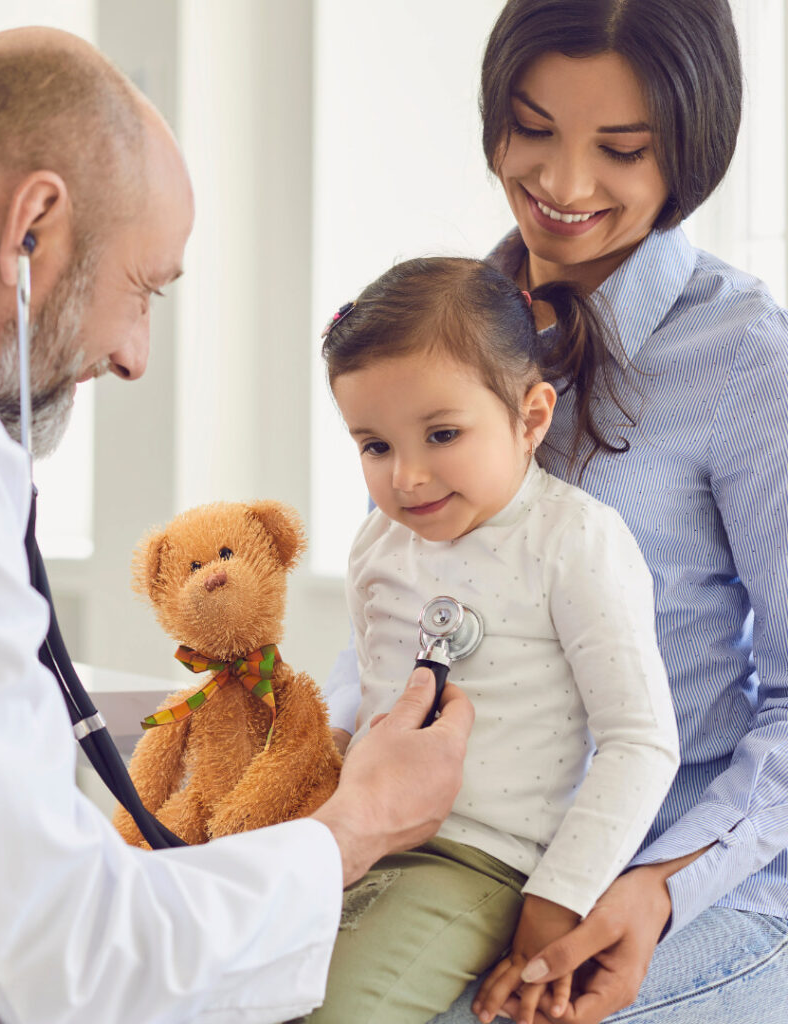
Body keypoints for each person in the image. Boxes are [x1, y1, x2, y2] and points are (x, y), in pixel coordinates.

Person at [0, 27, 475, 1024]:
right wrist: (355, 827)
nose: (135, 355)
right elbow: (75, 970)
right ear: (33, 228)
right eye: (142, 290)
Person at [326, 1, 788, 1022]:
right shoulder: (446, 330)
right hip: (453, 861)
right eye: (532, 130)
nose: (564, 185)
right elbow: (403, 613)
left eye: (621, 149)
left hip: (672, 879)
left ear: (692, 150)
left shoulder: (746, 357)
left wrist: (658, 886)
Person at [306, 256, 678, 1024]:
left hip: (475, 859)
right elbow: (369, 683)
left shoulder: (574, 542)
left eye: (441, 434)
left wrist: (558, 896)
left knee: (339, 1012)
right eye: (374, 446)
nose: (407, 477)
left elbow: (641, 742)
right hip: (356, 835)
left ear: (532, 418)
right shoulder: (380, 544)